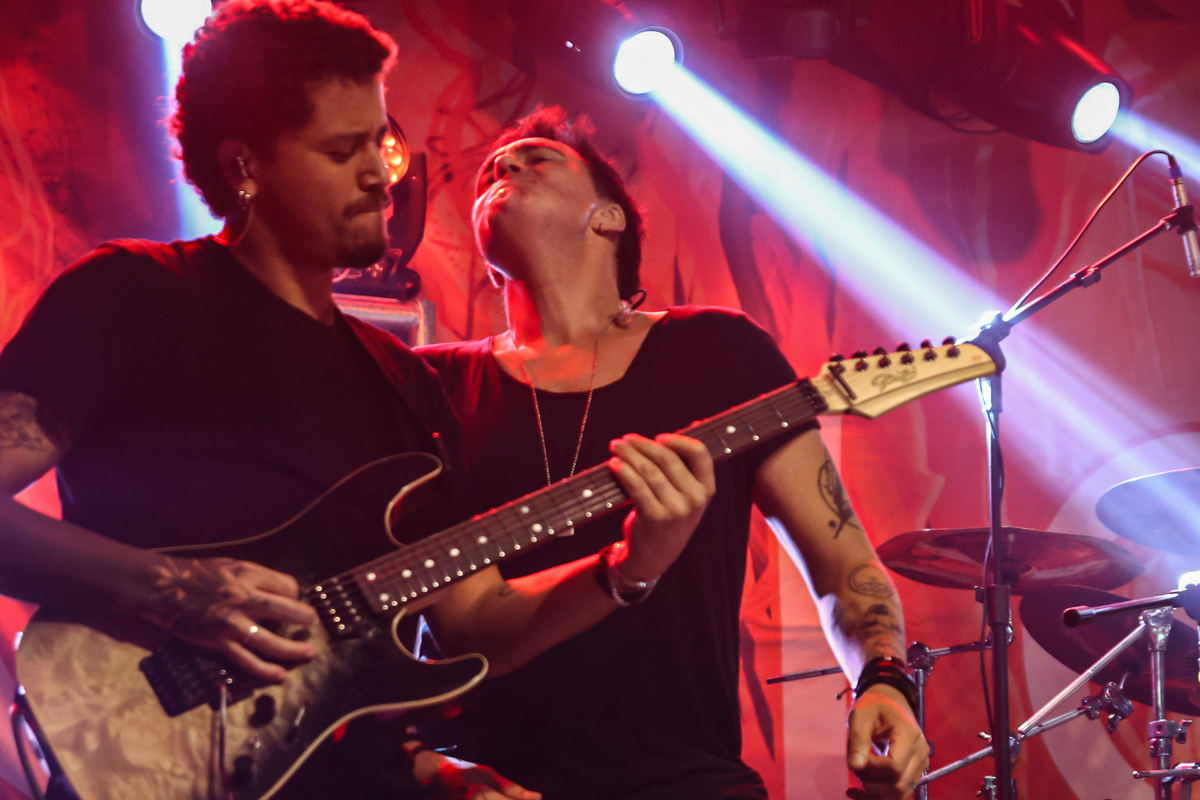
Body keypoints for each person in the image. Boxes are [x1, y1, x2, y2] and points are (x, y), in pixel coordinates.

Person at [0, 4, 713, 799]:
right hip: (138, 755)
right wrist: (173, 591)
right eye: (343, 151)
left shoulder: (404, 382)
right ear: (245, 166)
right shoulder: (133, 295)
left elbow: (472, 621)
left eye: (380, 141)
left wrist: (626, 568)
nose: (381, 174)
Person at [416, 106, 931, 800]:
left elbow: (843, 565)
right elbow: (450, 631)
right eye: (489, 174)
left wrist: (885, 682)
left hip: (688, 782)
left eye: (537, 160)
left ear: (609, 218)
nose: (503, 167)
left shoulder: (719, 351)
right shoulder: (427, 384)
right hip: (486, 784)